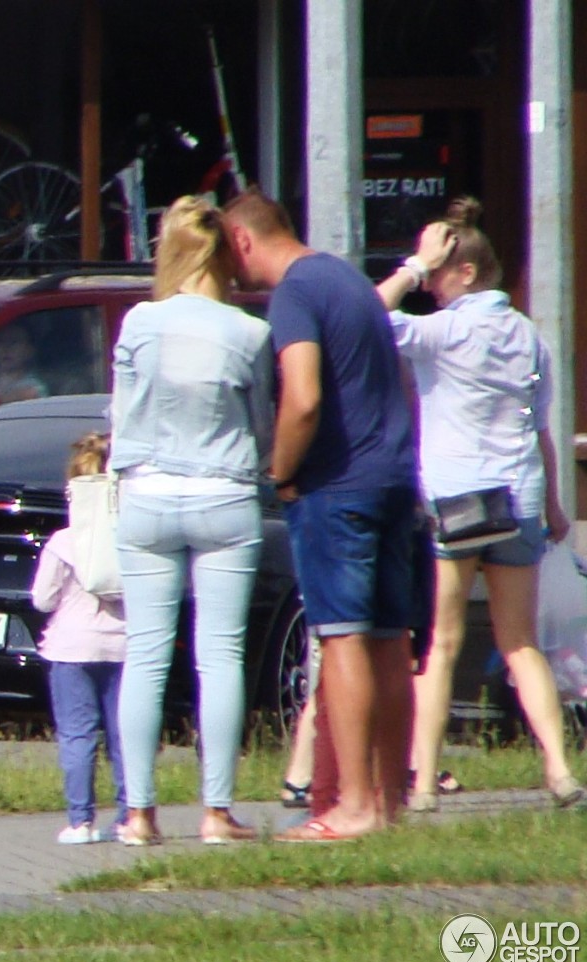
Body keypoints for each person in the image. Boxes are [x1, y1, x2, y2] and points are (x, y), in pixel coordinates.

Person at [222, 188, 419, 841]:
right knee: (392, 640)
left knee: (342, 636)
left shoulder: (295, 293)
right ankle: (391, 802)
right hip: (394, 477)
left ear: (244, 240)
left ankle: (355, 804)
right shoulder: (350, 280)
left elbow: (302, 395)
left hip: (336, 488)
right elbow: (399, 381)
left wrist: (279, 474)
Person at [377, 196, 583, 811]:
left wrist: (411, 266)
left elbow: (369, 316)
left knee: (441, 643)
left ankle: (422, 784)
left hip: (460, 501)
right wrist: (551, 503)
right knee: (520, 643)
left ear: (466, 271)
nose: (431, 283)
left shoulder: (443, 331)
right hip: (517, 499)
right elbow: (536, 424)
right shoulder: (529, 339)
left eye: (440, 271)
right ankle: (558, 770)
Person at [109, 195, 274, 846]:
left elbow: (120, 413)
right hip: (225, 495)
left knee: (145, 654)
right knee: (221, 654)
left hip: (147, 491)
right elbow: (260, 422)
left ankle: (138, 814)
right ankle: (215, 811)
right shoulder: (250, 332)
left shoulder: (139, 323)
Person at [30, 433, 128, 844]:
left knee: (77, 734)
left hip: (71, 647)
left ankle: (81, 821)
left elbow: (42, 599)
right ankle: (130, 817)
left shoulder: (63, 542)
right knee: (125, 734)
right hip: (123, 645)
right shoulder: (130, 537)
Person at [0, 323, 49, 402]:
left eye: (14, 342)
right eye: (0, 342)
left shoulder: (34, 386)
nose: (6, 348)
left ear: (29, 350)